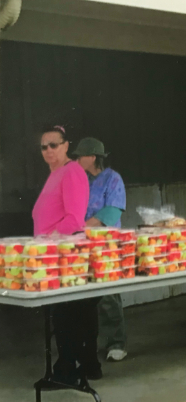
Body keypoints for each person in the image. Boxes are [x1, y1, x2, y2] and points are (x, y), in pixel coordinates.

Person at [32, 125, 102, 385]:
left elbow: (74, 219)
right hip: (53, 255)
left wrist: (48, 240)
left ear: (66, 146)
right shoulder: (56, 174)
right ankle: (82, 366)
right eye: (43, 146)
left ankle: (68, 370)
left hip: (64, 254)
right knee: (68, 314)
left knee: (67, 314)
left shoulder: (71, 171)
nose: (48, 150)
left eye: (54, 145)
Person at [74, 138, 128, 362]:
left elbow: (112, 211)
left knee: (107, 295)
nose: (76, 160)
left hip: (106, 245)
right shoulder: (79, 180)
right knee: (80, 295)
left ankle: (116, 343)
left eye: (80, 156)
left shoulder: (113, 179)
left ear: (93, 157)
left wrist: (82, 226)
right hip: (80, 244)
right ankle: (85, 344)